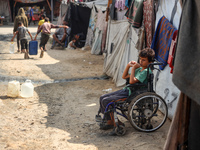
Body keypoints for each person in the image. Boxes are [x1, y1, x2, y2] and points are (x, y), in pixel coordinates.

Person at [98, 48, 155, 135]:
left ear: (150, 62)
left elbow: (132, 81)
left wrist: (133, 69)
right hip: (128, 90)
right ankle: (109, 120)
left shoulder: (146, 71)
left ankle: (116, 123)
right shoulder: (140, 70)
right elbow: (124, 77)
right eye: (140, 59)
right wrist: (128, 66)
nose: (141, 61)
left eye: (144, 60)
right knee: (102, 97)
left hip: (133, 93)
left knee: (107, 101)